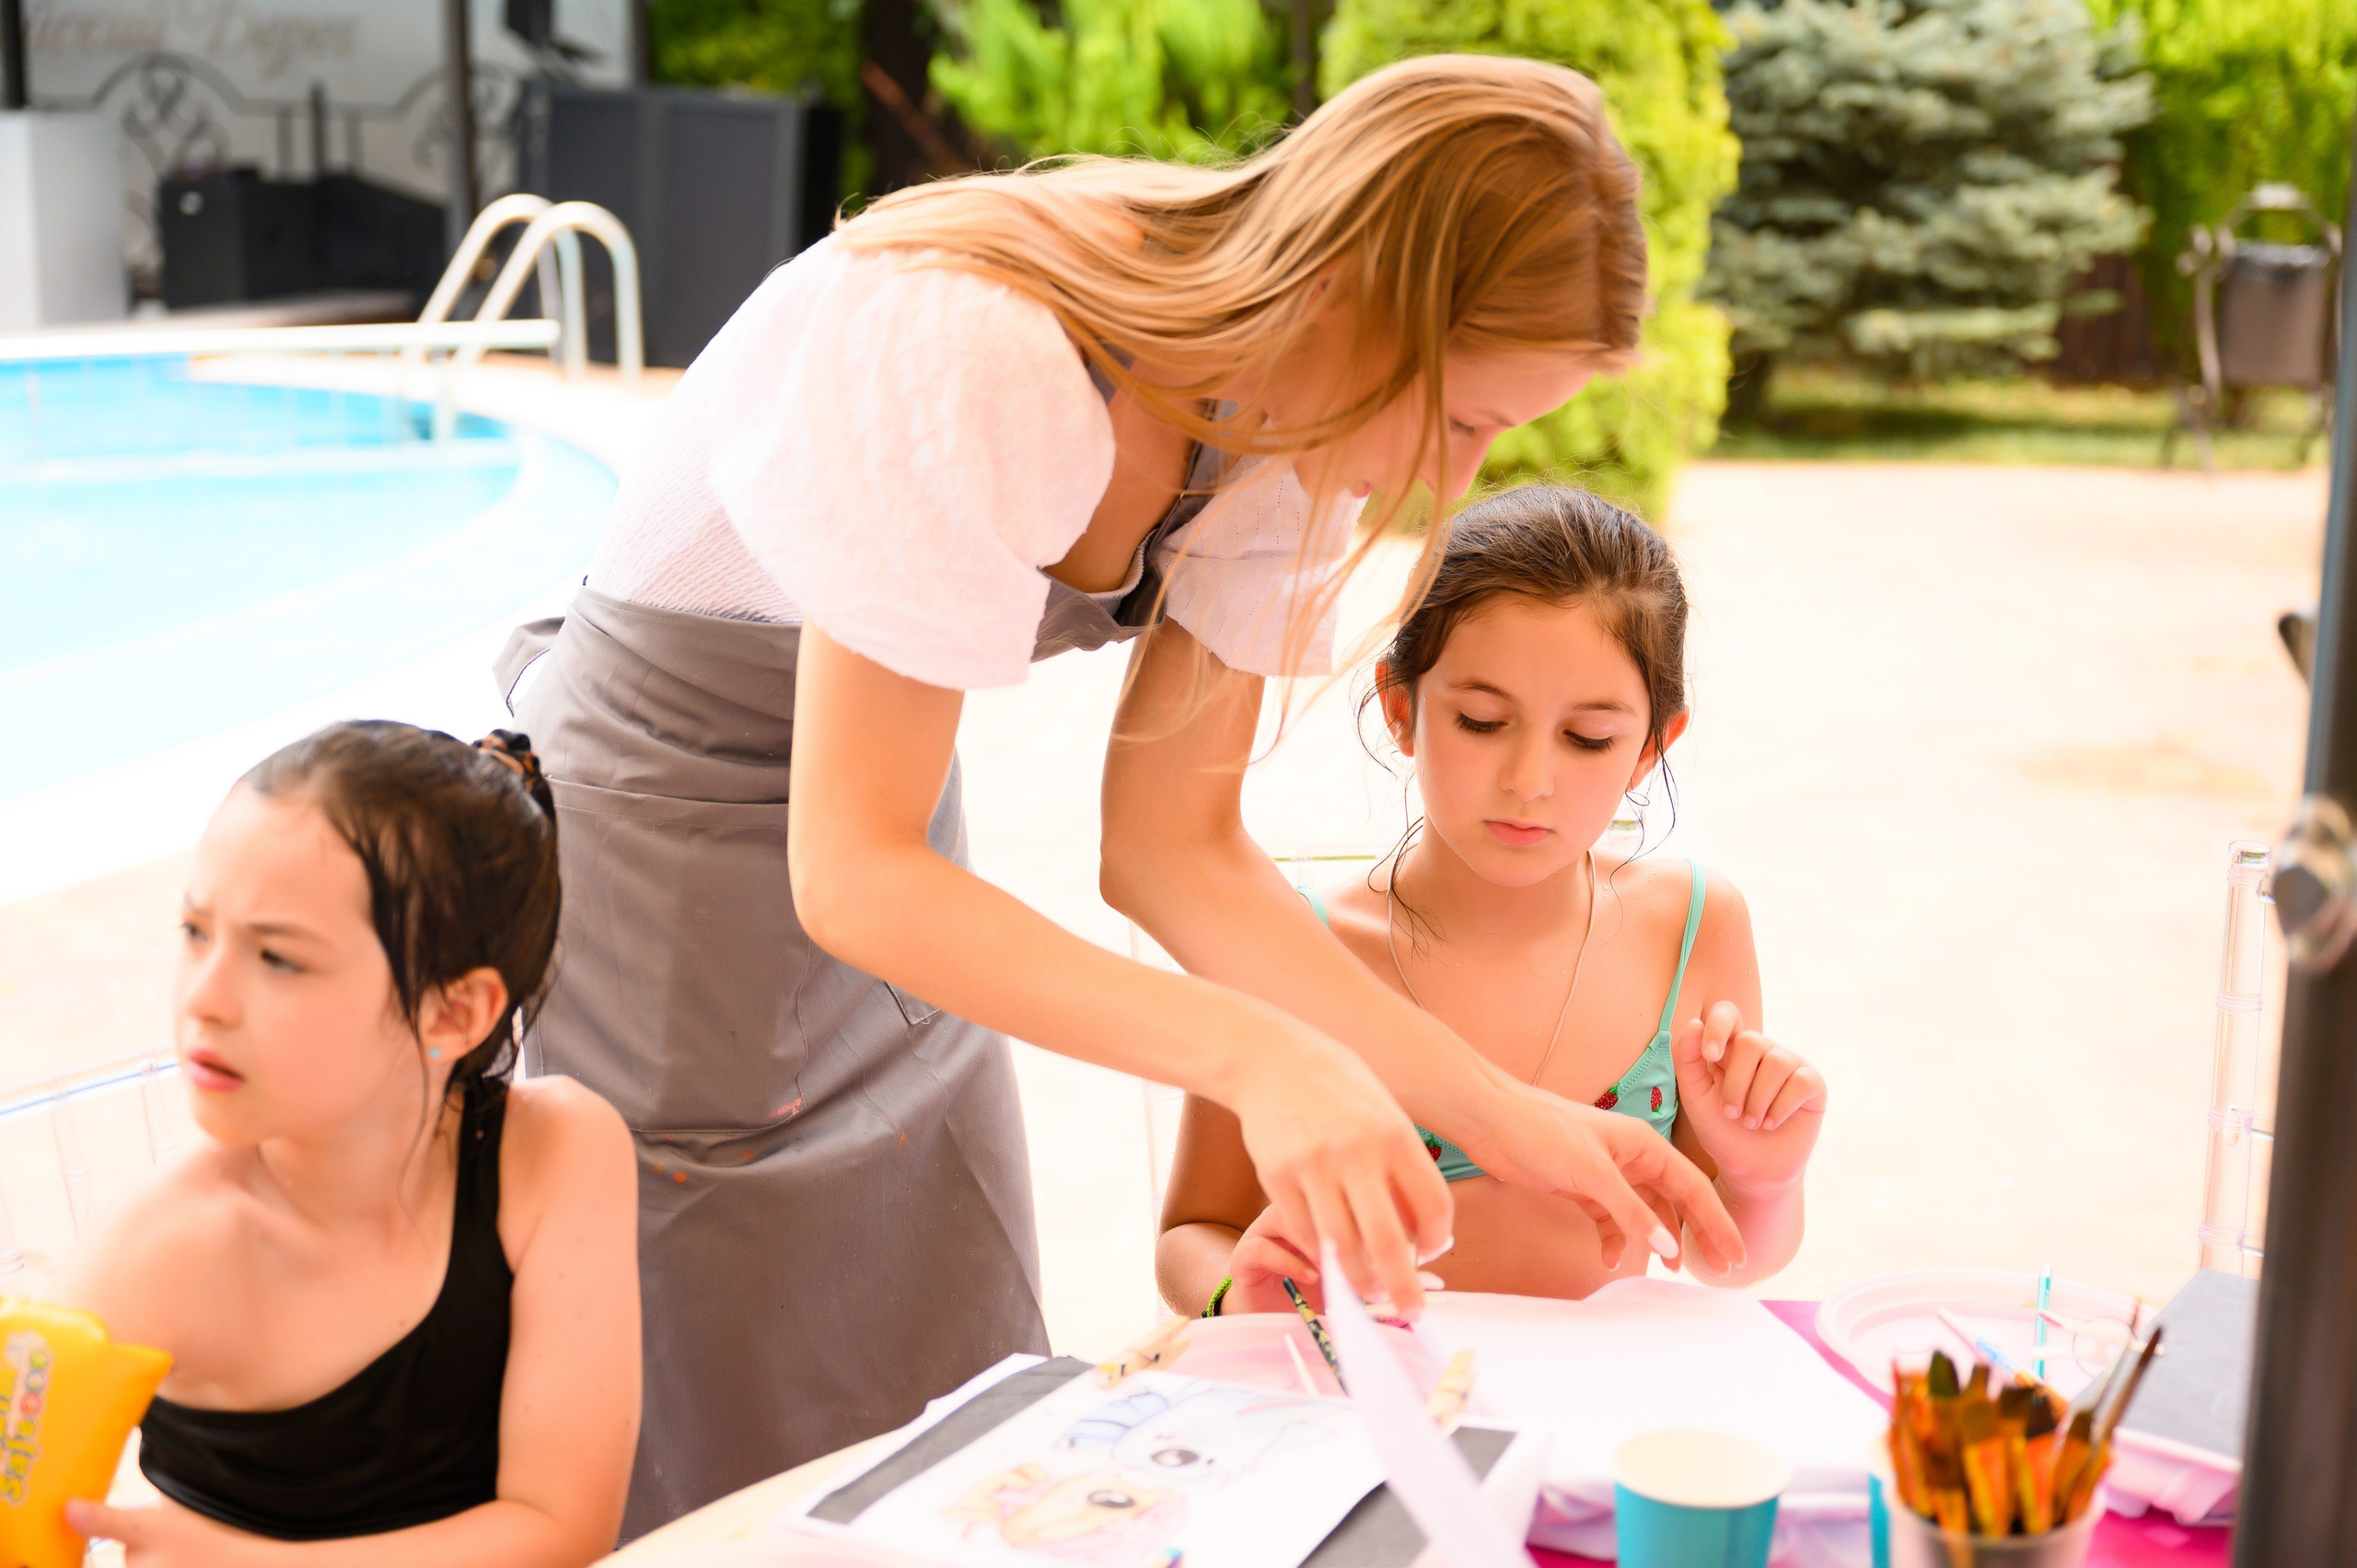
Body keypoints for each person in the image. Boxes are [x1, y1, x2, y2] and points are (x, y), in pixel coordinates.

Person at [497, 52, 1745, 1533]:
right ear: (1359, 289)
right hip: (669, 841)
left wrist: (1510, 1117)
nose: (1456, 476)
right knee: (738, 1430)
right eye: (1466, 415)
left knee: (951, 1397)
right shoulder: (986, 344)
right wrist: (1266, 1058)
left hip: (892, 839)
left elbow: (1173, 849)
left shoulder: (1289, 412)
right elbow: (854, 873)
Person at [1157, 488, 1828, 1314]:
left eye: (1588, 737)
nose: (1529, 780)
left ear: (1652, 746)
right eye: (1481, 720)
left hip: (1598, 1389)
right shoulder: (1288, 949)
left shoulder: (1693, 925)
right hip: (1358, 1387)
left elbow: (1721, 1255)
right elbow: (1192, 1231)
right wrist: (1241, 1294)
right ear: (1401, 708)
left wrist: (1765, 1178)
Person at [58, 723, 640, 1567]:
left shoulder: (552, 1157)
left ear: (453, 1012)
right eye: (195, 932)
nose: (205, 999)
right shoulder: (161, 1251)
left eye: (277, 957)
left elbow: (562, 1526)